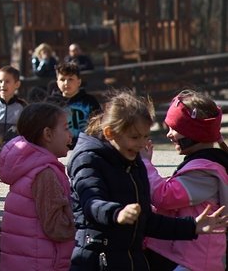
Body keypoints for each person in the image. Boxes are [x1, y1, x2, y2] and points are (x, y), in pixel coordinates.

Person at [68, 90, 228, 271]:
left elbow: (154, 211)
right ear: (110, 133)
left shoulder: (203, 171)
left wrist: (192, 227)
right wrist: (116, 213)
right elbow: (92, 202)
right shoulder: (92, 160)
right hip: (98, 259)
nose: (142, 143)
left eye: (145, 136)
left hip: (172, 259)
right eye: (136, 137)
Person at [143, 91, 228, 271]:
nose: (169, 134)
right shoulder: (203, 165)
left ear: (193, 133)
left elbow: (163, 197)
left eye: (174, 129)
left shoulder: (204, 172)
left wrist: (145, 164)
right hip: (186, 256)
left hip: (194, 261)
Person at [0, 102, 74, 271]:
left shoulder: (28, 168)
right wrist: (82, 214)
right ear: (48, 134)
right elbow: (57, 228)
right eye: (66, 129)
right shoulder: (45, 174)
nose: (70, 136)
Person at [53, 62, 101, 148]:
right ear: (57, 82)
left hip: (85, 146)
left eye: (70, 79)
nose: (66, 83)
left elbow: (97, 125)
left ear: (79, 82)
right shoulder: (51, 103)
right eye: (62, 79)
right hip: (59, 148)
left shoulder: (89, 101)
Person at [0, 65, 28, 145]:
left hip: (15, 149)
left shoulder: (23, 106)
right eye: (0, 81)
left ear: (17, 84)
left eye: (7, 81)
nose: (3, 85)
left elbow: (28, 131)